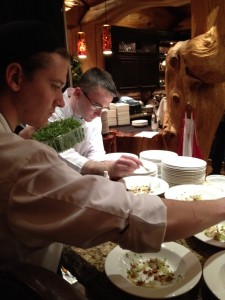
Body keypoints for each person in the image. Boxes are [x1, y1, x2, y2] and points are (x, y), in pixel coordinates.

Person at [1, 20, 225, 277]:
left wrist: (106, 171)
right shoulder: (20, 159)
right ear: (16, 78)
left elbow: (95, 159)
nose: (58, 98)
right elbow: (133, 218)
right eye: (54, 86)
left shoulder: (16, 143)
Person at [20, 67, 142, 180]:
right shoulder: (52, 111)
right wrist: (106, 169)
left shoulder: (94, 115)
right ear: (78, 94)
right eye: (96, 106)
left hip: (82, 180)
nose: (99, 114)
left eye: (104, 108)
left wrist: (102, 169)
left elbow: (96, 151)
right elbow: (62, 155)